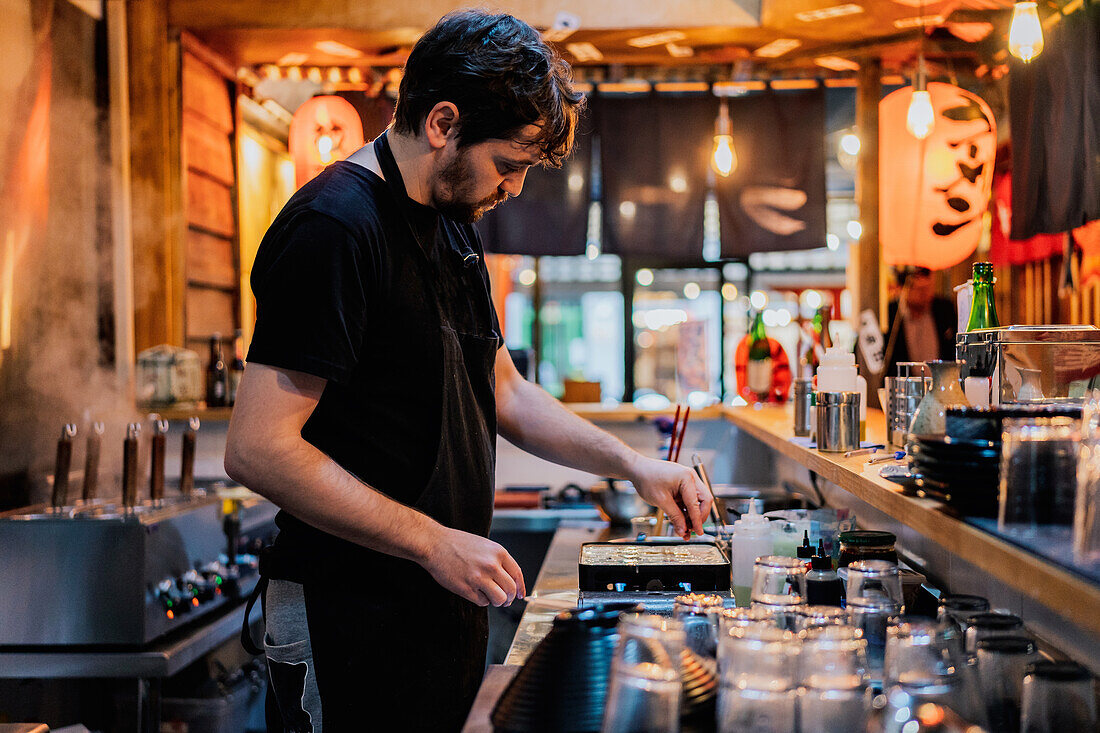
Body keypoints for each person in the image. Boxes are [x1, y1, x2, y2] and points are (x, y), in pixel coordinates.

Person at [224, 11, 711, 732]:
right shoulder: (335, 228)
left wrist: (632, 463)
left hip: (432, 609)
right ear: (443, 123)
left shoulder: (452, 226)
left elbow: (504, 389)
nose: (512, 189)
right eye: (509, 164)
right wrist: (431, 539)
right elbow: (259, 446)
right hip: (344, 616)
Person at [883, 267, 958, 376]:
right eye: (920, 289)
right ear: (905, 288)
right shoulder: (892, 314)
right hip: (905, 387)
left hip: (940, 385)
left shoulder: (944, 309)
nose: (925, 295)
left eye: (928, 288)